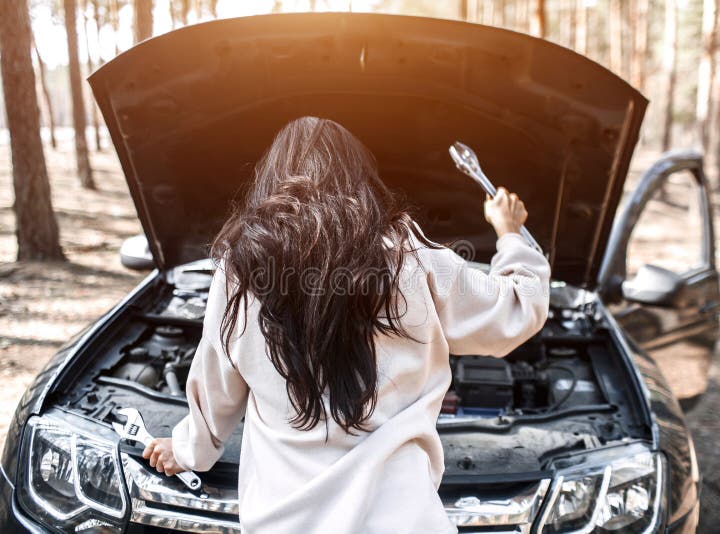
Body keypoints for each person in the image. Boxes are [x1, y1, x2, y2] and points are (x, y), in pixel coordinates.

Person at [143, 116, 550, 533]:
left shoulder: (240, 269)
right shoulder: (409, 255)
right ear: (361, 177)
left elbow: (217, 384)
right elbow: (515, 312)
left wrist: (190, 450)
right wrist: (511, 234)